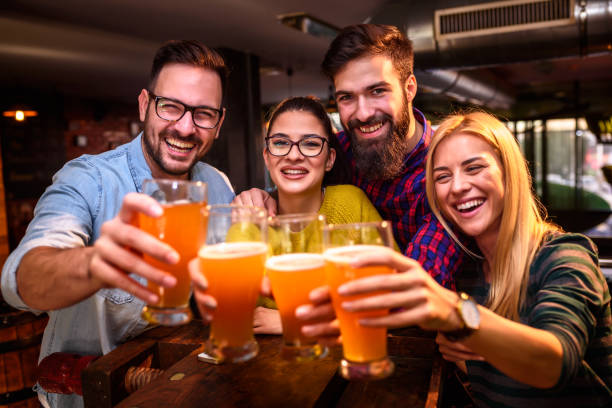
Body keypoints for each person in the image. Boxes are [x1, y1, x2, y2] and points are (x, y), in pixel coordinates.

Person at [299, 111, 611, 407]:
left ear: (510, 172)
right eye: (442, 176)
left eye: (475, 168)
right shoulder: (467, 270)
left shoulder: (565, 255)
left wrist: (457, 314)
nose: (458, 187)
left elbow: (555, 362)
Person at [0, 40, 235, 408]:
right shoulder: (89, 179)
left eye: (203, 113)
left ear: (218, 123)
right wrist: (97, 263)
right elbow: (20, 280)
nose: (186, 127)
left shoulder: (217, 185)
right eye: (170, 107)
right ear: (145, 105)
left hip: (181, 389)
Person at [235, 24, 462, 289]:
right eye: (347, 97)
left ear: (409, 88)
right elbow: (297, 177)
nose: (363, 113)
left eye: (377, 91)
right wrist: (265, 196)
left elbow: (416, 294)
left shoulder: (444, 171)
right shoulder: (340, 148)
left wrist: (294, 313)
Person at [193, 96, 386, 333]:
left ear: (329, 160)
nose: (294, 155)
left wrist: (291, 320)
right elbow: (228, 312)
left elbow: (391, 292)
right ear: (267, 156)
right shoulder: (251, 220)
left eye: (311, 143)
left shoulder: (351, 204)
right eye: (281, 143)